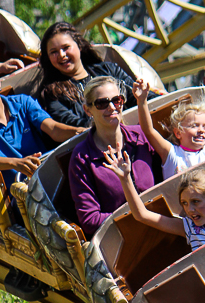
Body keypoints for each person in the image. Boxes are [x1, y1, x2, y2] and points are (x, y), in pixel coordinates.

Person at [102, 129, 205, 250]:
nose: (189, 209)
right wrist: (125, 178)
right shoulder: (189, 228)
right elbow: (142, 215)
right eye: (184, 203)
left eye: (196, 202)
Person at [0, 60, 85, 193]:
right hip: (20, 195)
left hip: (50, 178)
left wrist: (78, 132)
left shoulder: (23, 102)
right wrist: (17, 163)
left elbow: (53, 128)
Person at [68, 76, 161, 237]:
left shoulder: (140, 135)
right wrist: (138, 215)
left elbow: (170, 166)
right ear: (88, 110)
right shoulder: (82, 158)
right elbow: (90, 220)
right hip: (123, 237)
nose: (112, 107)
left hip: (162, 221)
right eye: (102, 103)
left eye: (117, 100)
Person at [38, 22, 160, 127]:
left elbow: (137, 96)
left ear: (78, 45)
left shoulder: (108, 70)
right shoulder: (53, 93)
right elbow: (71, 124)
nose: (62, 55)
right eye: (54, 52)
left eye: (66, 47)